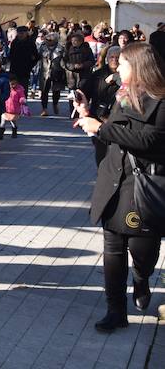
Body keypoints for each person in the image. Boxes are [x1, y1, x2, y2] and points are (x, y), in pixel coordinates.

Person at [76, 43, 165, 333]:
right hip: (115, 179)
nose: (117, 67)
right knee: (113, 250)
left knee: (143, 250)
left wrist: (101, 128)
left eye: (123, 64)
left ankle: (141, 278)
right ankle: (115, 310)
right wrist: (89, 117)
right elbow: (111, 135)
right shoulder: (122, 96)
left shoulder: (161, 100)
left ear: (138, 67)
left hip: (143, 184)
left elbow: (149, 141)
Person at [64, 32, 95, 114]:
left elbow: (92, 61)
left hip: (84, 75)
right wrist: (72, 66)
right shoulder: (68, 49)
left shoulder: (87, 49)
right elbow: (63, 61)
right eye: (73, 41)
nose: (74, 42)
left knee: (83, 93)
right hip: (71, 75)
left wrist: (82, 65)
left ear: (81, 41)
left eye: (76, 41)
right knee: (72, 94)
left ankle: (83, 111)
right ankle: (73, 112)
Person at [38, 33, 66, 117]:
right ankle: (44, 109)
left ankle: (55, 103)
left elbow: (64, 59)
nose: (48, 42)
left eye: (51, 40)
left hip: (57, 71)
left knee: (56, 90)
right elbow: (37, 56)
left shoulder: (61, 48)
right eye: (47, 40)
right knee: (44, 91)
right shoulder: (42, 47)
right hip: (45, 71)